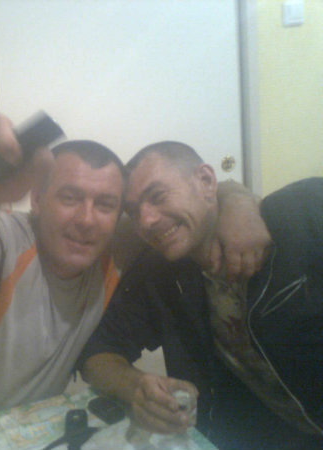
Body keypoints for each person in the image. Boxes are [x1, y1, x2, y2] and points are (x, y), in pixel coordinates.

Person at [0, 103, 264, 444]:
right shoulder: (6, 242)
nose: (87, 220)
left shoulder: (119, 244)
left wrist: (238, 202)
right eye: (70, 197)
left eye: (106, 204)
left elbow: (195, 200)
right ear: (38, 199)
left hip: (26, 429)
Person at [78, 141, 323, 450]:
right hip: (269, 436)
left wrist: (237, 198)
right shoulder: (161, 274)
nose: (146, 221)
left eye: (158, 196)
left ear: (206, 181)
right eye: (133, 211)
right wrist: (136, 386)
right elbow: (97, 350)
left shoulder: (303, 210)